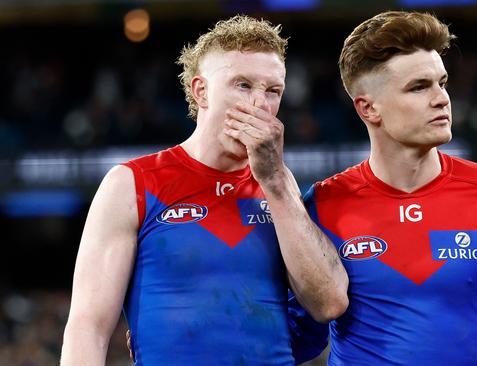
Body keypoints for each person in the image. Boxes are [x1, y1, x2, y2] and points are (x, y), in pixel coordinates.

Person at [61, 15, 348, 365]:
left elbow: (328, 305)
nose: (260, 103)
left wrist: (275, 182)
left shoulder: (283, 188)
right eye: (243, 85)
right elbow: (88, 325)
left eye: (273, 90)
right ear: (201, 91)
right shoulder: (133, 183)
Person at [302, 11, 477, 365]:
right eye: (419, 87)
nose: (441, 98)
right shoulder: (323, 205)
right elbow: (300, 337)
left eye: (442, 82)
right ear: (368, 108)